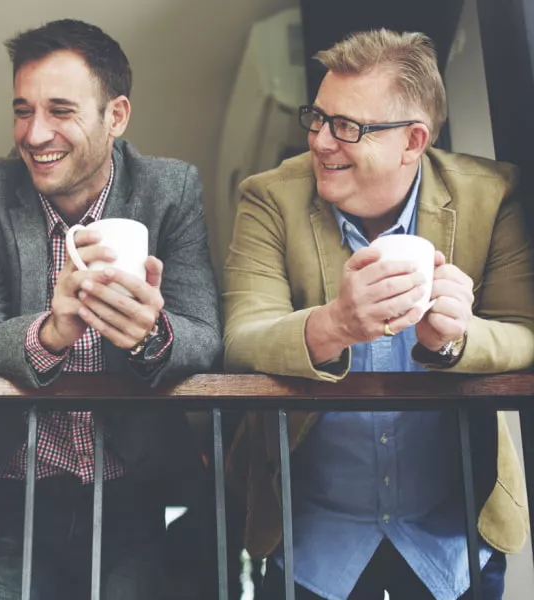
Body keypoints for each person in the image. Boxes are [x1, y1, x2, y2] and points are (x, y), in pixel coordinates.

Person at [0, 19, 222, 599]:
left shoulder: (170, 189)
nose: (34, 133)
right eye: (23, 110)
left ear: (117, 116)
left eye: (59, 110)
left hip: (129, 485)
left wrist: (150, 335)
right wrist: (52, 331)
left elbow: (206, 334)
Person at [224, 29, 534, 600]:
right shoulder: (269, 198)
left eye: (348, 127)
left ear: (413, 140)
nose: (321, 141)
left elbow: (525, 333)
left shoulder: (491, 196)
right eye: (317, 118)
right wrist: (335, 324)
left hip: (452, 534)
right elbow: (241, 335)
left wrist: (455, 339)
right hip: (314, 538)